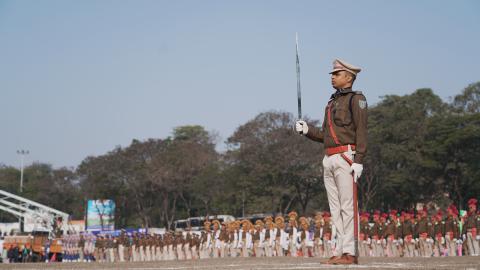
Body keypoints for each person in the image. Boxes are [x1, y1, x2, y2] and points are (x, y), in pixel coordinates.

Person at [296, 59, 367, 265]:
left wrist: (359, 159)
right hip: (329, 156)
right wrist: (307, 130)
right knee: (335, 209)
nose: (332, 77)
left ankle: (350, 252)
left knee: (348, 207)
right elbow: (326, 135)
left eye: (337, 73)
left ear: (349, 77)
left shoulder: (357, 99)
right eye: (333, 73)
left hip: (346, 156)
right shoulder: (331, 102)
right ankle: (338, 251)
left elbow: (362, 130)